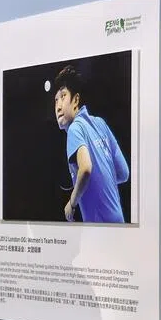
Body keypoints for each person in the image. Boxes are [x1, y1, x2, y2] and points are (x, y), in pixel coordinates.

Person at [52, 64, 129, 223]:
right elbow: (123, 173)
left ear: (76, 100)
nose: (58, 106)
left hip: (98, 228)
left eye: (63, 96)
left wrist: (72, 203)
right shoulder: (100, 123)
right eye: (56, 100)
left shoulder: (74, 129)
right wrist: (99, 182)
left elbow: (85, 168)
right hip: (119, 222)